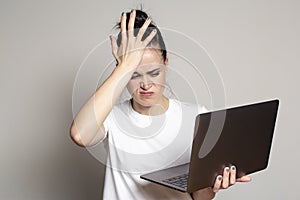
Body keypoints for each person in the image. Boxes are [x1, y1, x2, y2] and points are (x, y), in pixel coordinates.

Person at [70, 9, 251, 200]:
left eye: (154, 73)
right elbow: (80, 135)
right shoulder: (111, 118)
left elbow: (199, 197)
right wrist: (124, 66)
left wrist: (212, 188)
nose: (146, 85)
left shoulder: (197, 117)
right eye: (134, 75)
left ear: (166, 62)